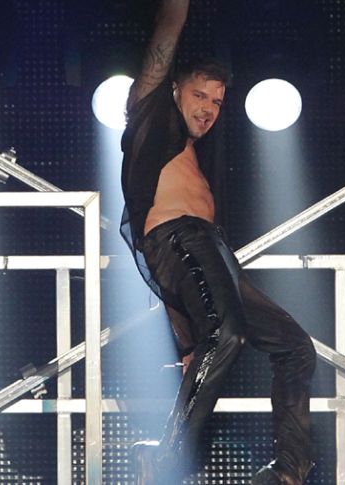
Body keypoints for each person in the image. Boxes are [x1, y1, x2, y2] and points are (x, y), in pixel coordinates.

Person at [119, 1, 317, 484]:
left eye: (216, 102)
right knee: (226, 335)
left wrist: (190, 340)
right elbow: (167, 30)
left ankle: (288, 472)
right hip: (181, 239)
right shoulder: (150, 116)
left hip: (209, 251)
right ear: (173, 89)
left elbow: (176, 285)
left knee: (295, 347)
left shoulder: (191, 153)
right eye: (199, 95)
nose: (207, 109)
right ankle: (166, 459)